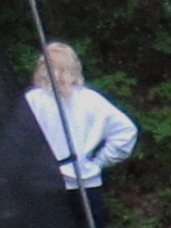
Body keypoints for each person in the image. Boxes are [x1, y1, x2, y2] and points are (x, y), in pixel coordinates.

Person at [26, 42, 141, 193]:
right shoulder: (34, 99)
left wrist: (98, 162)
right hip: (45, 183)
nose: (57, 75)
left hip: (80, 184)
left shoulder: (89, 99)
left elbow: (126, 130)